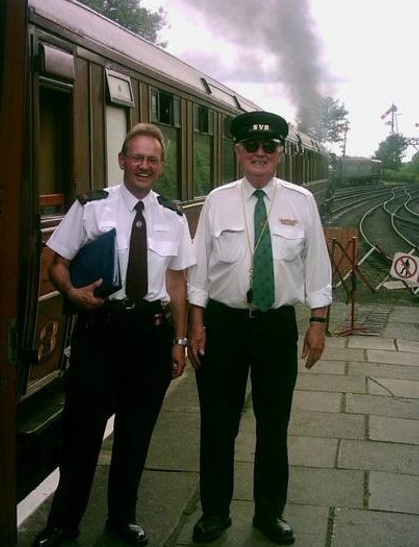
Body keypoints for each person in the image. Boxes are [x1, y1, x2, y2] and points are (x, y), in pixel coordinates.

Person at [33, 124, 195, 547]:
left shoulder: (173, 216)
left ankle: (122, 518)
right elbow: (57, 261)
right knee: (81, 435)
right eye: (136, 157)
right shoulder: (92, 207)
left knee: (135, 436)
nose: (144, 165)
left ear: (160, 167)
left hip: (151, 335)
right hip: (100, 330)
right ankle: (62, 524)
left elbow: (177, 282)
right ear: (122, 160)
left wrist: (179, 341)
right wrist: (71, 292)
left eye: (152, 160)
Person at [187, 111, 332, 545]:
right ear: (237, 152)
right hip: (223, 325)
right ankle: (214, 513)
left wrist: (319, 323)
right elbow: (199, 267)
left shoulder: (301, 201)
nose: (259, 154)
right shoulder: (217, 201)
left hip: (276, 329)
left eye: (269, 147)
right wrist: (196, 323)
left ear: (280, 154)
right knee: (217, 424)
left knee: (274, 425)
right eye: (251, 146)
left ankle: (270, 514)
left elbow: (317, 267)